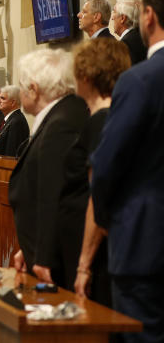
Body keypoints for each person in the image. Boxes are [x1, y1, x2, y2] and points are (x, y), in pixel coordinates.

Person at [91, 0, 164, 340]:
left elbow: (106, 165)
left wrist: (104, 219)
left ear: (147, 17)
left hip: (145, 244)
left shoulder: (139, 81)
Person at [8, 49, 90, 291]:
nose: (20, 91)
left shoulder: (61, 123)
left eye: (21, 85)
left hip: (58, 258)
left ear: (33, 89)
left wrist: (43, 255)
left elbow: (53, 194)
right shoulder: (64, 113)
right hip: (45, 248)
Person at [66, 38, 130, 308]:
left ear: (87, 75)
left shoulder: (101, 122)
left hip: (93, 251)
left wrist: (83, 265)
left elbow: (97, 195)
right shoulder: (114, 116)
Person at [0, 85, 29, 157]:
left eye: (2, 98)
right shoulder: (9, 120)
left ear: (13, 103)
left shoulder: (16, 122)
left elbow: (11, 154)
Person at [112, 0, 146, 66]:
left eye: (114, 12)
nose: (112, 18)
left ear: (122, 18)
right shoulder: (144, 36)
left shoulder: (125, 44)